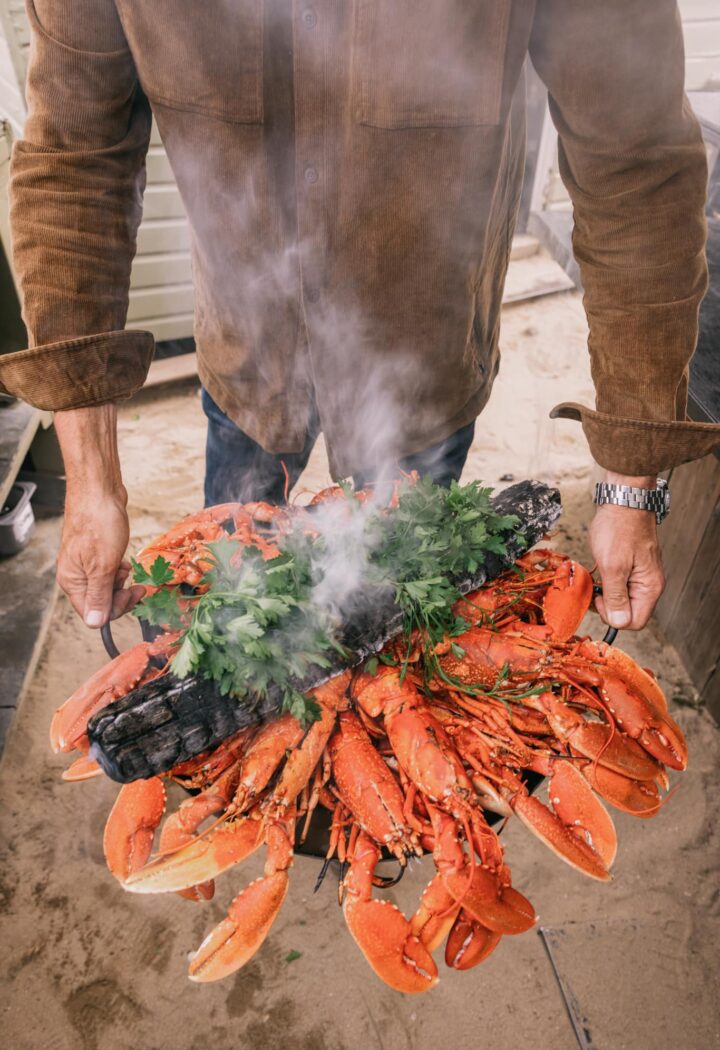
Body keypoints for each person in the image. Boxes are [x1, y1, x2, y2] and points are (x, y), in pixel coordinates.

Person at [1, 1, 718, 635]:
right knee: (236, 612)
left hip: (426, 363)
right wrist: (92, 478)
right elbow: (74, 159)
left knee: (397, 615)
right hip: (246, 362)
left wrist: (631, 480)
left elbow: (637, 161)